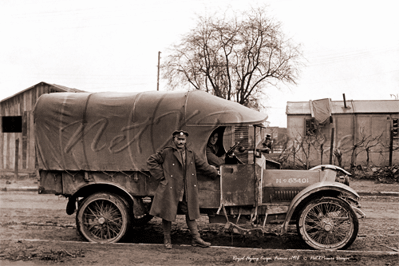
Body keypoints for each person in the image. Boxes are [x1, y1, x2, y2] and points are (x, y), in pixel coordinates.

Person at [147, 130, 219, 249]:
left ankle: (196, 238)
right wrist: (162, 176)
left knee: (191, 213)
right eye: (178, 139)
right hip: (171, 188)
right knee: (167, 213)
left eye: (183, 140)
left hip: (186, 190)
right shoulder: (167, 152)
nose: (181, 142)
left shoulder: (190, 154)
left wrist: (214, 172)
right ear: (174, 140)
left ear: (186, 141)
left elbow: (202, 165)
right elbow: (151, 161)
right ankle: (167, 239)